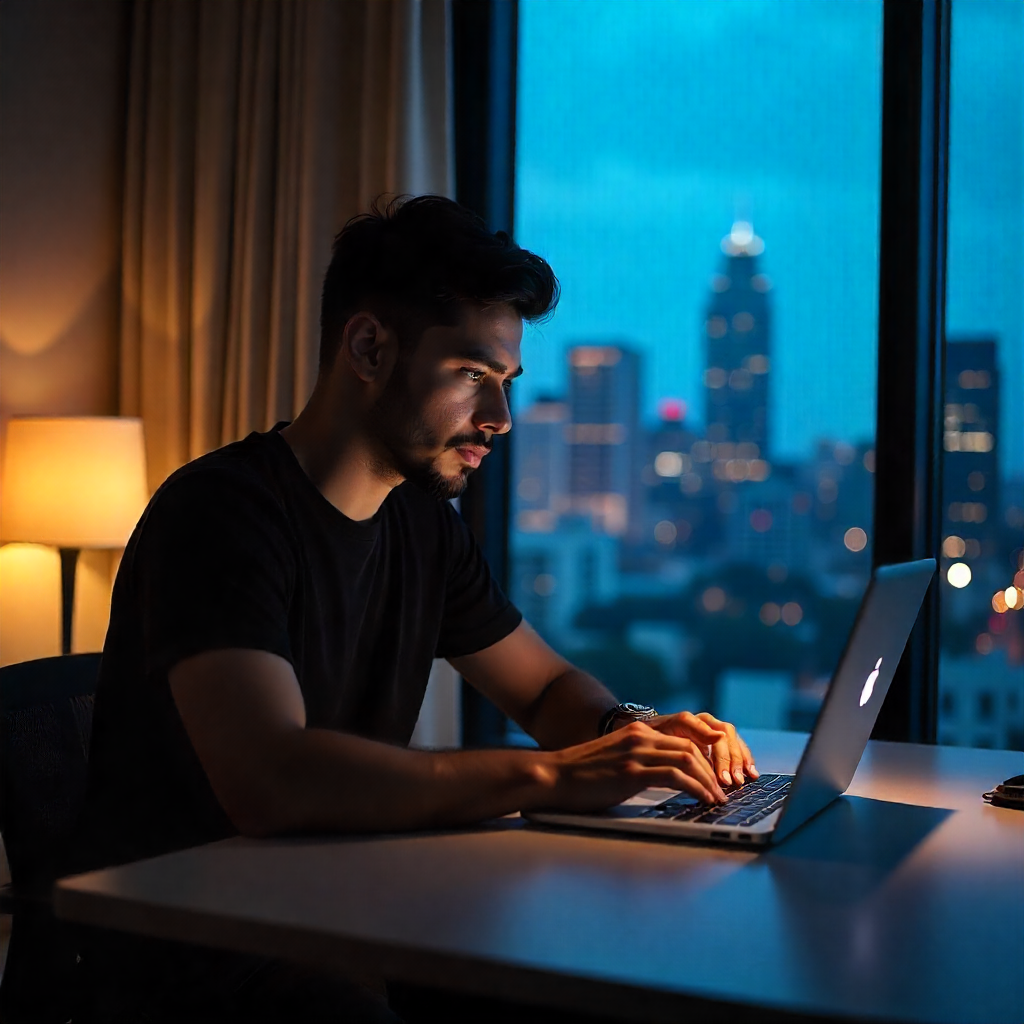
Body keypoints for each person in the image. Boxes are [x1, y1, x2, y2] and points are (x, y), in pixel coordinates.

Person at [73, 195, 756, 1022]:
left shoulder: (423, 524)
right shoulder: (220, 514)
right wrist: (551, 774)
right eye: (473, 376)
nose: (500, 420)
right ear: (368, 347)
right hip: (194, 958)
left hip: (343, 907)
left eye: (504, 383)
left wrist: (630, 734)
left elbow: (541, 691)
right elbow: (270, 780)